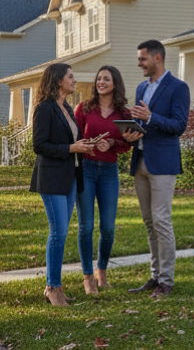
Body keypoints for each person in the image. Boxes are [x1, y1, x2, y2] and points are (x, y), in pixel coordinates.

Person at [127, 40, 189, 298]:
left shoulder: (178, 87)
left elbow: (179, 125)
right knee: (150, 222)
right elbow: (139, 120)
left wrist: (151, 117)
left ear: (157, 58)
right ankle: (155, 276)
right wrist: (130, 129)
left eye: (143, 59)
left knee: (162, 221)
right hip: (140, 159)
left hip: (163, 164)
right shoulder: (142, 87)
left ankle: (167, 281)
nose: (139, 63)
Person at [28, 63, 94, 307]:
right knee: (58, 234)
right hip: (52, 178)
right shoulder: (44, 109)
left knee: (61, 234)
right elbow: (39, 145)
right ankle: (53, 288)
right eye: (70, 76)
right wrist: (71, 148)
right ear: (58, 81)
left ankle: (55, 287)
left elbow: (70, 141)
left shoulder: (66, 107)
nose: (74, 80)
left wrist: (84, 144)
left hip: (70, 177)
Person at [74, 66, 139, 294]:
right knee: (86, 226)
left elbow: (128, 143)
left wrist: (112, 143)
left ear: (115, 83)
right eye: (99, 78)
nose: (101, 82)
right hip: (86, 169)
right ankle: (88, 277)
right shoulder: (84, 108)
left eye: (106, 79)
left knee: (108, 228)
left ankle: (102, 272)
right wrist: (89, 144)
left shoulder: (123, 114)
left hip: (109, 171)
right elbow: (74, 136)